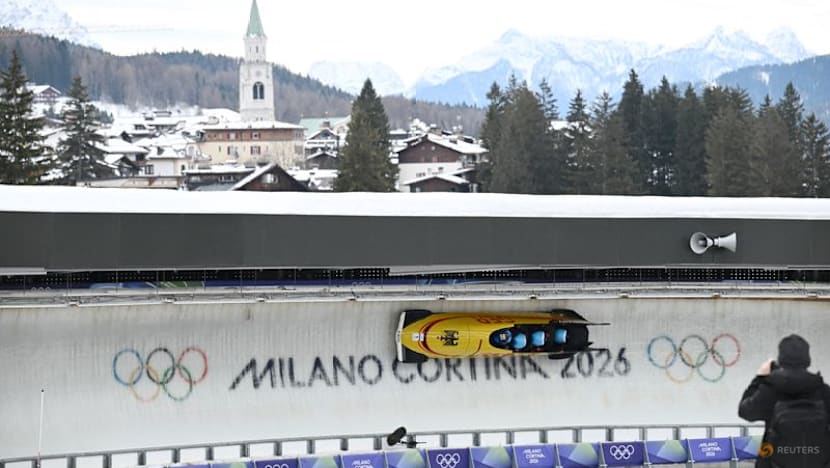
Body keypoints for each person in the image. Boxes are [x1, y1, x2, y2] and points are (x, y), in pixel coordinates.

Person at [738, 334, 830, 468]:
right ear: (807, 359)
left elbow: (745, 411)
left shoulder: (770, 389)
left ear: (781, 359)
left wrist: (760, 378)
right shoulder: (821, 389)